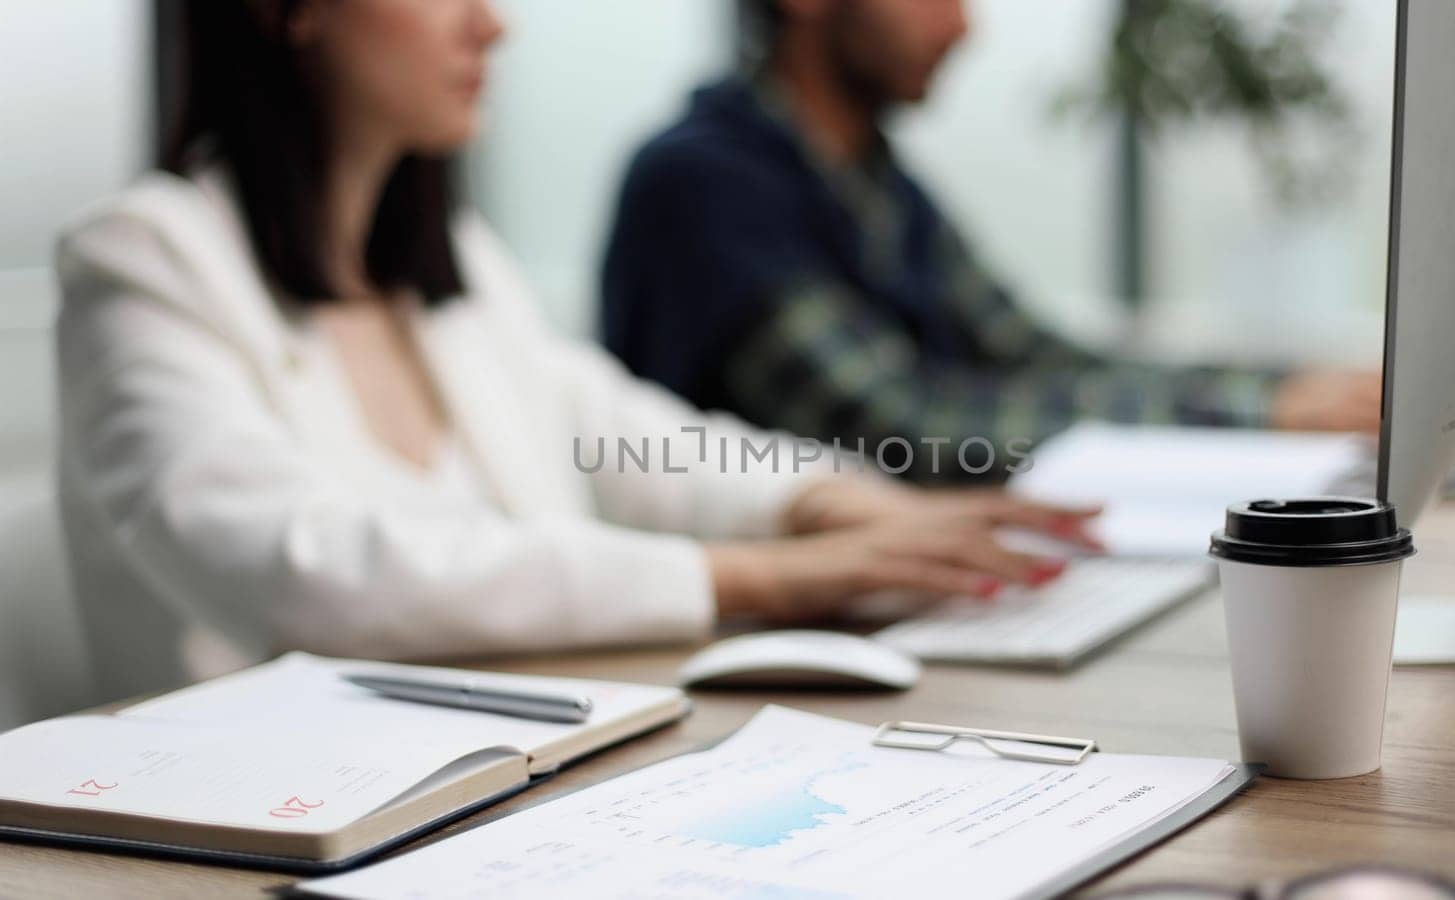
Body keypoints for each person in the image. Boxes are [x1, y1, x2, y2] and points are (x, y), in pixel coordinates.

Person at [54, 0, 1098, 698]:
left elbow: (629, 438)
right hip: (249, 841)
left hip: (510, 777)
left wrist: (829, 504)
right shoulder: (143, 261)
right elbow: (310, 573)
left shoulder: (446, 269)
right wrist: (766, 576)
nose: (491, 25)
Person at [600, 0, 1385, 483]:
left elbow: (1035, 352)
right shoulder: (702, 185)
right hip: (745, 657)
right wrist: (1247, 414)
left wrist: (1284, 388)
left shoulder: (872, 180)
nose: (964, 24)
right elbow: (907, 430)